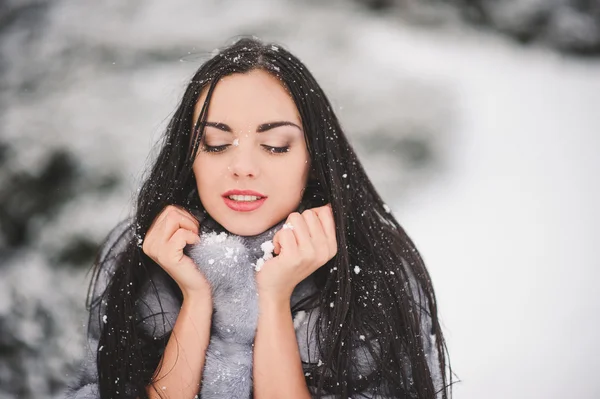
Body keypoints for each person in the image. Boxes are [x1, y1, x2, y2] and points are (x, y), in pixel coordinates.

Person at [65, 37, 453, 399]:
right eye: (216, 144)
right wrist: (196, 299)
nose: (243, 167)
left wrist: (275, 296)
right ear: (190, 156)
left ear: (314, 159)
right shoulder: (139, 256)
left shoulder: (374, 269)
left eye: (274, 146)